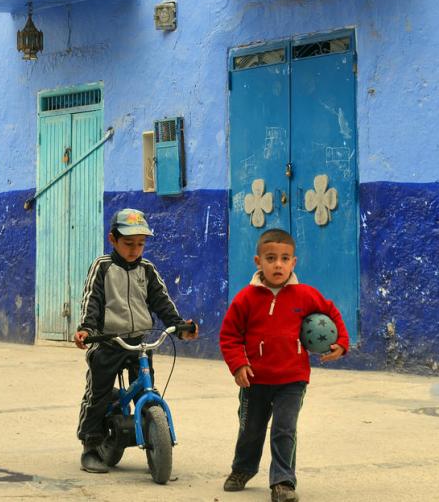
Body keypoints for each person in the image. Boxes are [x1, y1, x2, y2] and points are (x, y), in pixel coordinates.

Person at [219, 228, 349, 500]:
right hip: (254, 380)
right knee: (250, 429)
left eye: (284, 258)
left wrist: (342, 343)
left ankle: (283, 482)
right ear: (258, 262)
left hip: (292, 379)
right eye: (270, 258)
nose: (278, 264)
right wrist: (238, 365)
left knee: (284, 429)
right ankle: (243, 468)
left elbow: (331, 312)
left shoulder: (305, 295)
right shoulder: (246, 298)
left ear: (294, 262)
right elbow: (229, 335)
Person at [74, 207, 198, 473]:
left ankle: (154, 440)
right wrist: (86, 328)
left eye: (140, 244)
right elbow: (92, 301)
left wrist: (179, 326)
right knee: (98, 394)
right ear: (113, 240)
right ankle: (91, 446)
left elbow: (161, 301)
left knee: (145, 389)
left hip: (140, 342)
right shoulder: (103, 267)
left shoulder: (147, 270)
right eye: (128, 243)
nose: (134, 249)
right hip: (108, 341)